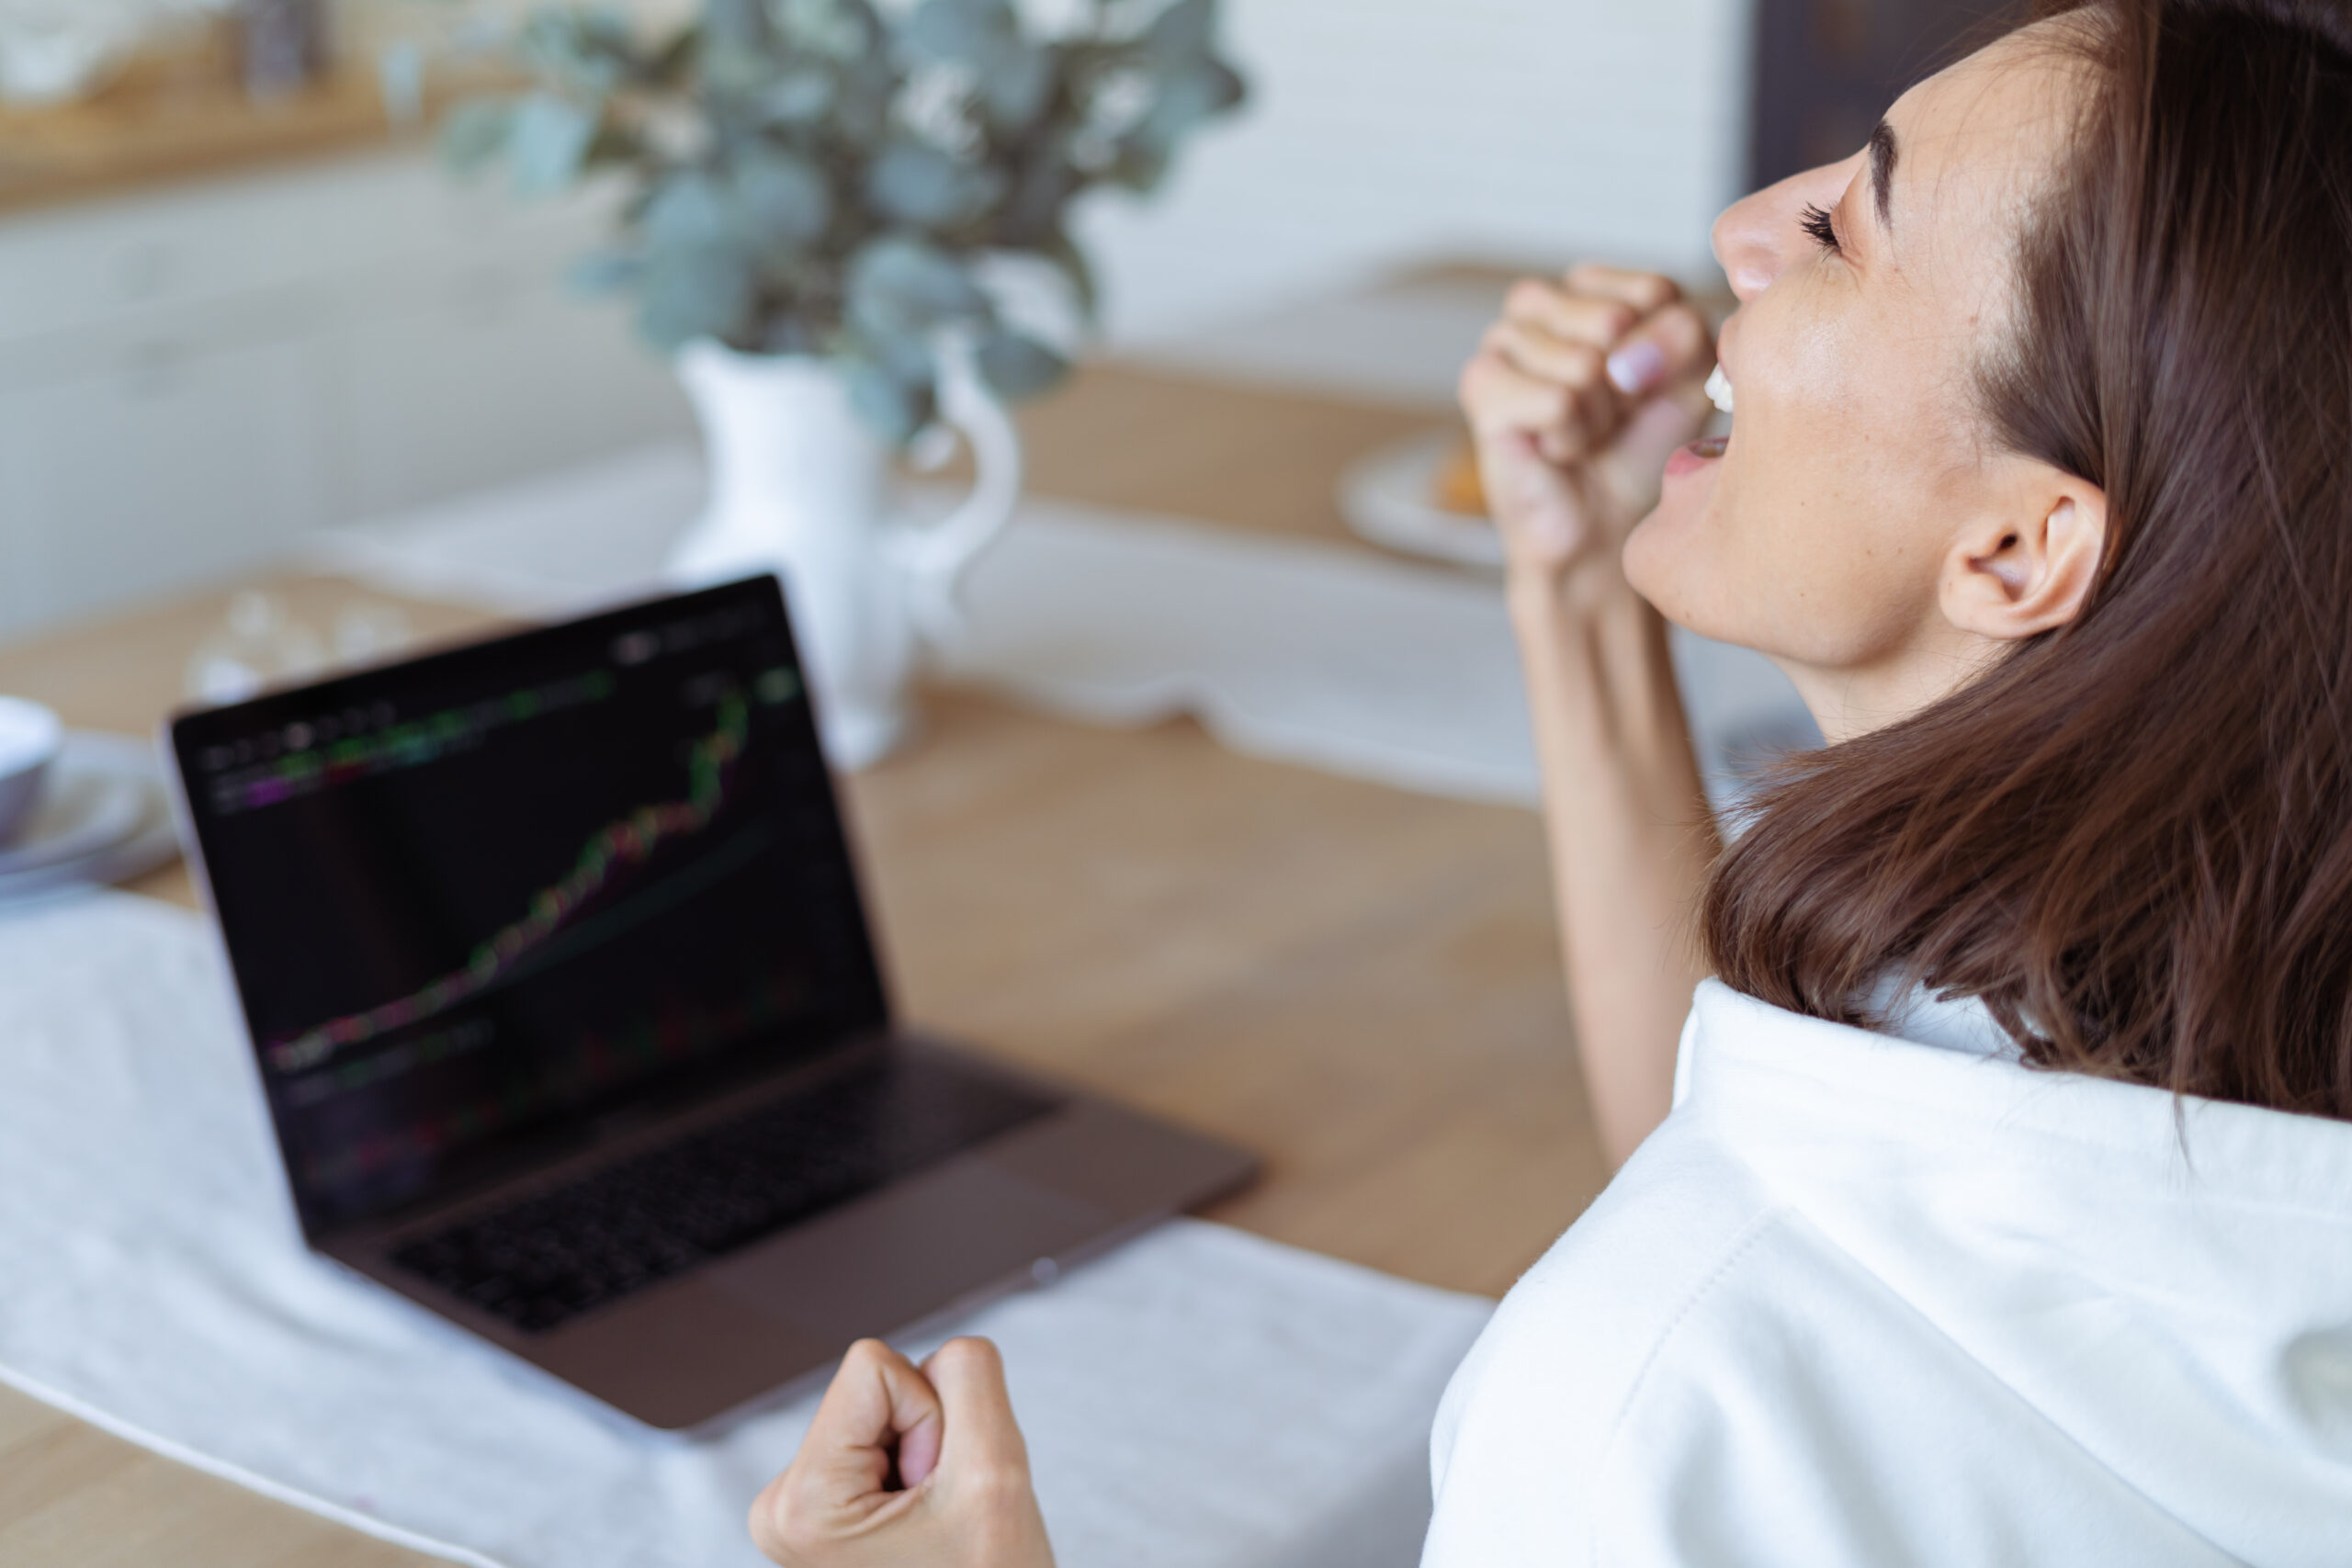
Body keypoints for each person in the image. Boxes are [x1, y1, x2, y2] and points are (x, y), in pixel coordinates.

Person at [743, 0, 2352, 1560]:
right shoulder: (2216, 1053)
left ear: (2018, 549)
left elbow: (1762, 1272)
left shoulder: (1642, 1411)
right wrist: (1577, 574)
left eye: (1848, 230)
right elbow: (1804, 1189)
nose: (1738, 226)